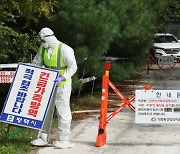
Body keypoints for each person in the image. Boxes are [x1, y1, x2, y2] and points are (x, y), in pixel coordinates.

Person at [30, 27, 77, 149]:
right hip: (47, 85)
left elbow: (73, 67)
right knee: (44, 112)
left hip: (62, 85)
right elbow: (36, 64)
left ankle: (64, 140)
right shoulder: (43, 49)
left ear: (50, 38)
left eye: (43, 40)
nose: (42, 43)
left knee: (63, 112)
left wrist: (63, 77)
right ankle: (43, 137)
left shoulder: (65, 49)